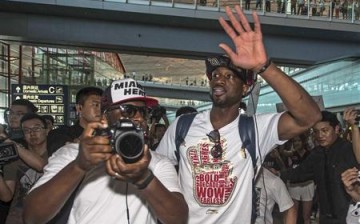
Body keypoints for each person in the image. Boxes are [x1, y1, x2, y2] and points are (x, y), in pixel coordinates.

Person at [156, 5, 321, 224]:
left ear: (245, 88)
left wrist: (264, 66)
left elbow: (310, 116)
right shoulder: (182, 126)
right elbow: (158, 170)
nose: (219, 79)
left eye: (229, 76)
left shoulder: (255, 129)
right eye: (215, 75)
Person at [23, 78, 188, 224]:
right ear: (104, 116)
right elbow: (32, 216)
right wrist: (79, 166)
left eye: (144, 112)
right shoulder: (73, 154)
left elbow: (178, 218)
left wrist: (145, 178)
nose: (139, 118)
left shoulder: (157, 162)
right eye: (129, 111)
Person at [280, 111, 358, 224]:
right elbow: (299, 173)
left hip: (349, 215)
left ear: (336, 129)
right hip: (325, 217)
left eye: (325, 130)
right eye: (316, 132)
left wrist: (354, 127)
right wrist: (277, 175)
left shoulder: (348, 150)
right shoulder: (316, 154)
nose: (320, 136)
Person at [0, 113, 49, 224]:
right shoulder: (14, 158)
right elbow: (6, 196)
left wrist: (11, 143)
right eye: (26, 130)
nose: (32, 133)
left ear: (47, 130)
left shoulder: (58, 154)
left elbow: (43, 167)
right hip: (18, 218)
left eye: (36, 128)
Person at [46, 86, 103, 156]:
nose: (100, 109)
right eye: (95, 105)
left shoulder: (108, 134)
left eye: (103, 106)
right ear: (79, 108)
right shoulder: (60, 135)